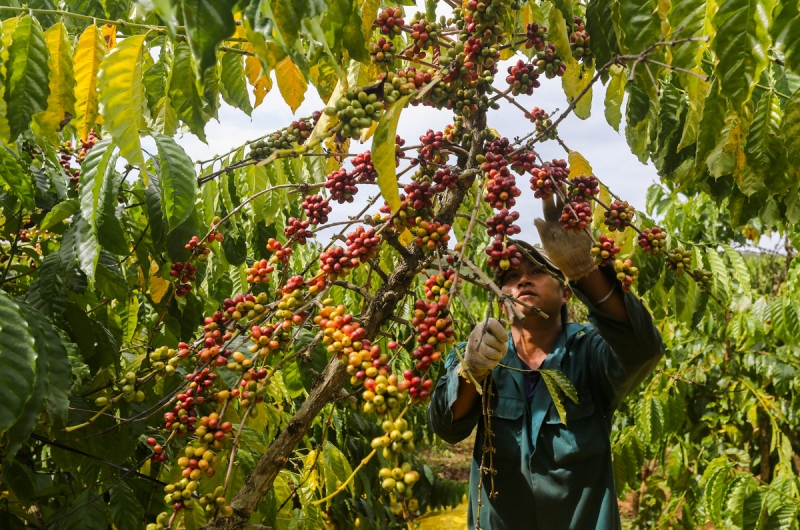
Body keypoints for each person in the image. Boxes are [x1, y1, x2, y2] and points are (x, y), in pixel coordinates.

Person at [428, 195, 664, 529]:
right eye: (509, 277)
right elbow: (445, 427)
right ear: (500, 294)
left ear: (566, 292)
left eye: (538, 272)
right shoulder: (475, 352)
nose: (522, 281)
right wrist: (472, 372)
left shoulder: (590, 352)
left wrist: (586, 271)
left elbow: (642, 348)